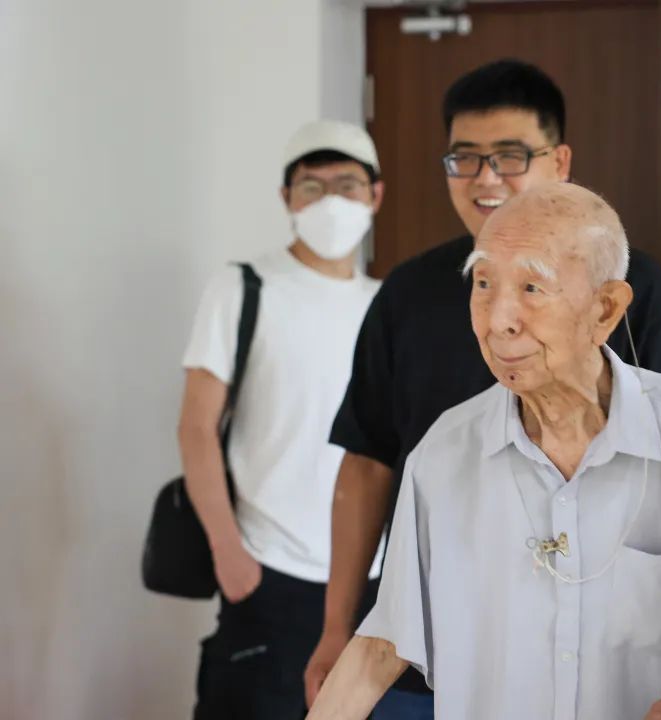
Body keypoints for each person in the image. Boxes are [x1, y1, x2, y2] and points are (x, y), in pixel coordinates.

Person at [303, 59, 661, 717]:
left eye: (510, 156)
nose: (486, 178)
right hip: (425, 646)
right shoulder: (407, 295)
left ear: (560, 161)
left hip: (591, 644)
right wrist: (336, 626)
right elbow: (368, 462)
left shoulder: (635, 292)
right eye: (465, 158)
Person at [178, 120, 384, 719]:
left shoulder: (386, 304)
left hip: (371, 581)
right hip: (270, 572)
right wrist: (229, 554)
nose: (329, 201)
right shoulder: (245, 287)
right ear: (286, 198)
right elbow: (196, 427)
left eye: (346, 184)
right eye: (311, 186)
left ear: (375, 194)